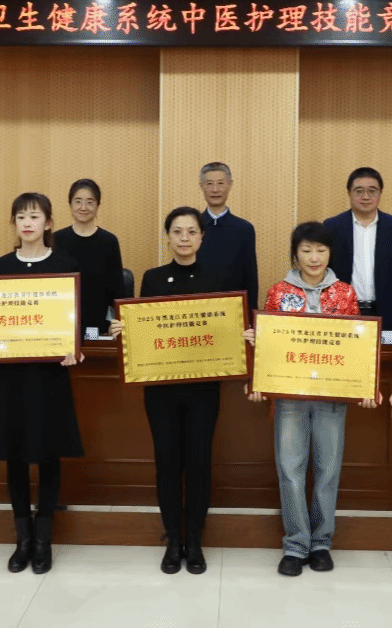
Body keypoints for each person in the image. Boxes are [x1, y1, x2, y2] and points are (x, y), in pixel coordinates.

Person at [0, 193, 84, 575]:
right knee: (14, 454)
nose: (27, 223)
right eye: (21, 217)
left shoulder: (65, 265)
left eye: (34, 216)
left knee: (48, 453)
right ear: (14, 223)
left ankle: (44, 539)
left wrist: (74, 347)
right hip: (8, 374)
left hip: (48, 373)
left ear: (48, 223)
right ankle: (22, 538)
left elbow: (77, 318)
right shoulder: (1, 266)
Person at [243, 222, 378, 577]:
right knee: (290, 469)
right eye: (306, 250)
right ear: (295, 254)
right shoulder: (279, 292)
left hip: (331, 395)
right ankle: (295, 544)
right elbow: (270, 346)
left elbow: (358, 347)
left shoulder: (345, 294)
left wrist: (366, 386)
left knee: (327, 470)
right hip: (289, 397)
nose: (313, 257)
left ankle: (321, 543)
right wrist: (258, 377)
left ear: (330, 253)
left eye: (320, 250)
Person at [108, 206, 228, 575]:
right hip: (161, 389)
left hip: (203, 387)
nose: (184, 238)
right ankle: (173, 539)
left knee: (198, 462)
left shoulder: (217, 278)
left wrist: (239, 332)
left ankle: (195, 540)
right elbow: (146, 330)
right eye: (177, 231)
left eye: (191, 231)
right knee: (167, 463)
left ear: (202, 237)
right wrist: (125, 329)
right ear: (168, 237)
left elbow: (224, 330)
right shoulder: (153, 278)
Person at [324, 167, 392, 330]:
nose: (365, 197)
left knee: (384, 347)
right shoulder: (332, 227)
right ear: (349, 193)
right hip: (342, 314)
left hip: (386, 316)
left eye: (372, 191)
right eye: (359, 191)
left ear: (380, 193)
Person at [53, 179, 125, 336]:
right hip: (62, 325)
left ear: (98, 205)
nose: (83, 207)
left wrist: (113, 323)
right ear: (70, 204)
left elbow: (117, 289)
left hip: (100, 326)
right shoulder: (56, 240)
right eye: (78, 201)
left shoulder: (109, 241)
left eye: (90, 202)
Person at [196, 162, 259, 312]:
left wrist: (251, 314)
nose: (215, 189)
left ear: (230, 185)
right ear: (201, 186)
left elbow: (250, 276)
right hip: (197, 309)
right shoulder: (193, 227)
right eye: (209, 183)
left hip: (233, 310)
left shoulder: (244, 228)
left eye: (220, 183)